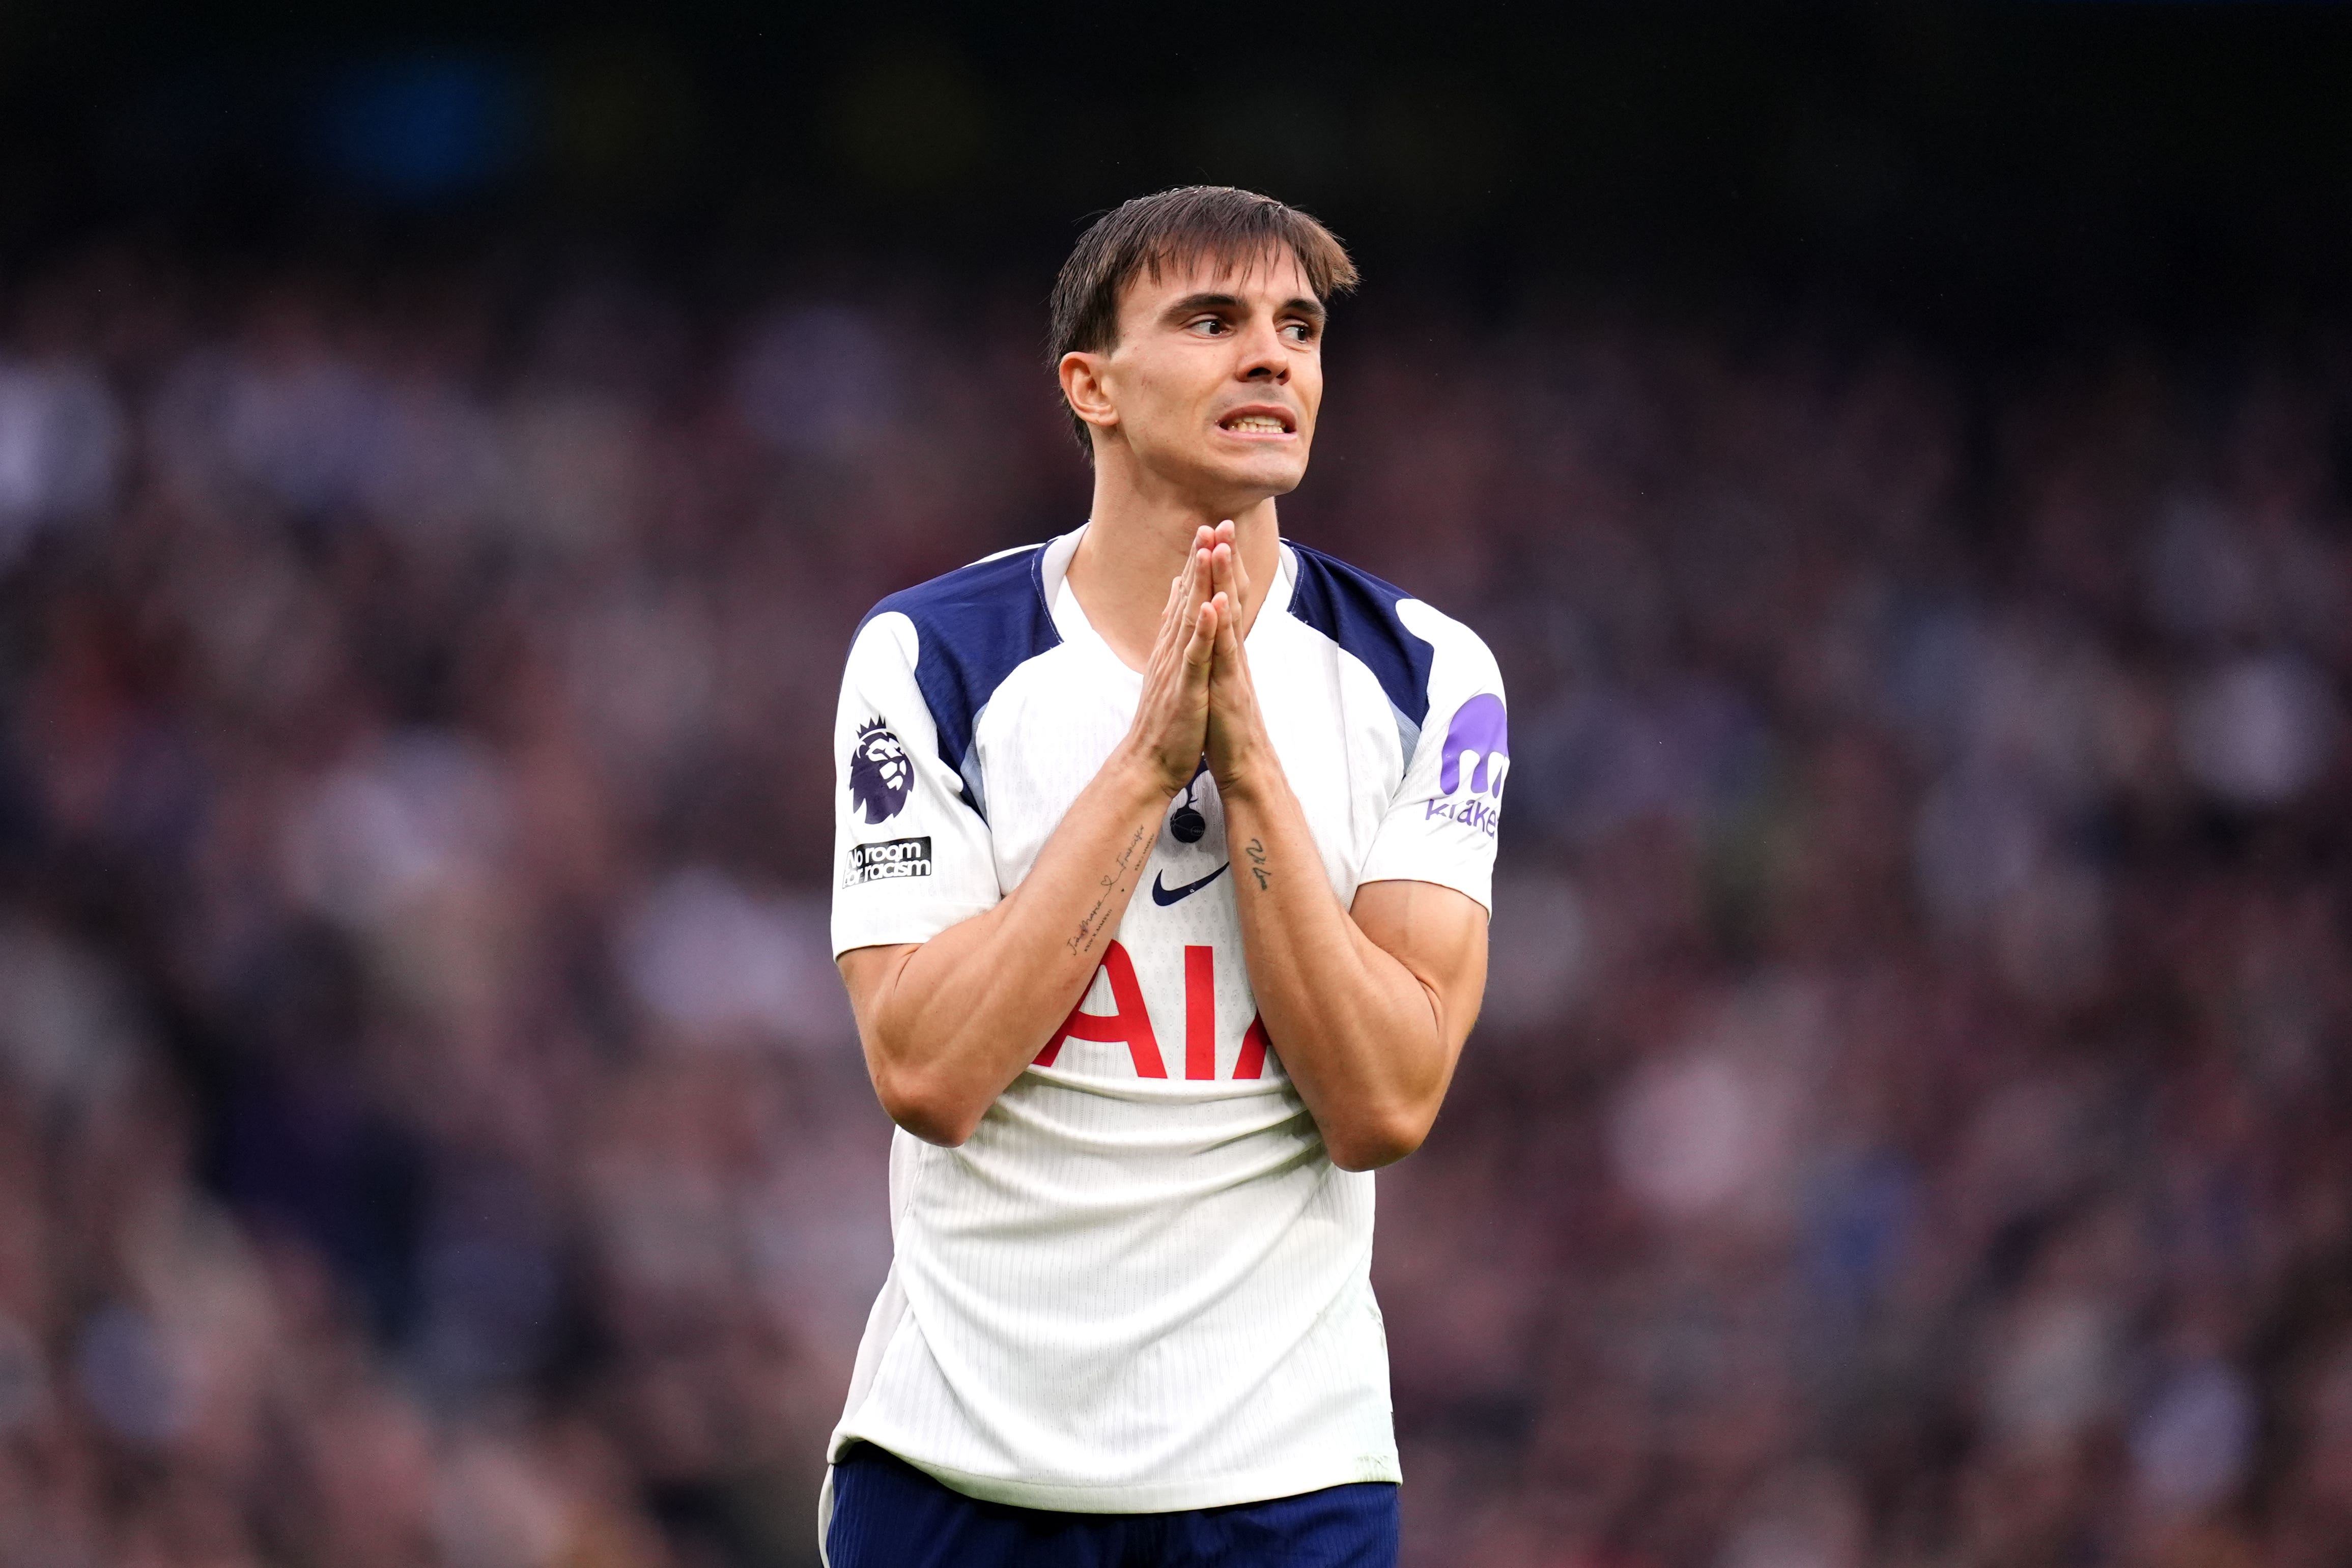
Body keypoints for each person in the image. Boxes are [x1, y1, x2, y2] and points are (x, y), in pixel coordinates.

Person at [821, 186, 1508, 1567]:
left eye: (1299, 328)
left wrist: (1246, 767)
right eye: (1212, 320)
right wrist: (1145, 767)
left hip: (1285, 1483)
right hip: (962, 1469)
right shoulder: (928, 659)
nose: (1273, 357)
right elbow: (928, 1071)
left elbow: (1384, 1098)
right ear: (1093, 386)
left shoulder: (1435, 676)